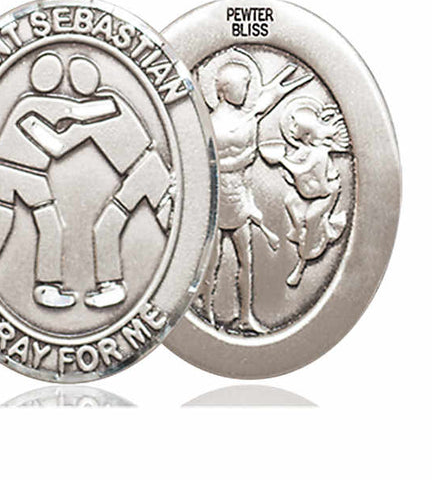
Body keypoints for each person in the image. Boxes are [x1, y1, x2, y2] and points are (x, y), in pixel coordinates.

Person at [21, 56, 174, 309]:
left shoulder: (107, 105)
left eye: (77, 80)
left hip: (145, 170)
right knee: (122, 225)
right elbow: (68, 135)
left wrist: (31, 124)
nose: (75, 86)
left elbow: (58, 146)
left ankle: (112, 287)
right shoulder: (103, 108)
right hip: (140, 173)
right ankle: (111, 286)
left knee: (112, 226)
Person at [0, 52, 118, 309]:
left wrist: (94, 113)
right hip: (23, 173)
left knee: (4, 226)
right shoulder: (33, 105)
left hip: (12, 171)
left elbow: (87, 110)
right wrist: (81, 130)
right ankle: (43, 286)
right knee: (44, 225)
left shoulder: (34, 102)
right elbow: (57, 144)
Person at [198, 48, 311, 333]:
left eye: (248, 85)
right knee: (211, 262)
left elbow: (267, 98)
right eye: (242, 85)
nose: (246, 91)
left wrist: (287, 82)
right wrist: (239, 161)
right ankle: (206, 313)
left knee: (246, 261)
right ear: (224, 90)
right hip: (215, 201)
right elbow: (203, 164)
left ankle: (245, 316)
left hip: (239, 199)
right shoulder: (207, 124)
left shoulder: (248, 118)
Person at [260, 97, 350, 287]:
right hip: (311, 193)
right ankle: (301, 231)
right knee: (290, 201)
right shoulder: (304, 150)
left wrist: (282, 160)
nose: (291, 128)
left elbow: (302, 170)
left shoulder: (319, 153)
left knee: (311, 218)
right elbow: (295, 176)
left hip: (325, 194)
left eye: (295, 125)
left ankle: (301, 265)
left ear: (306, 131)